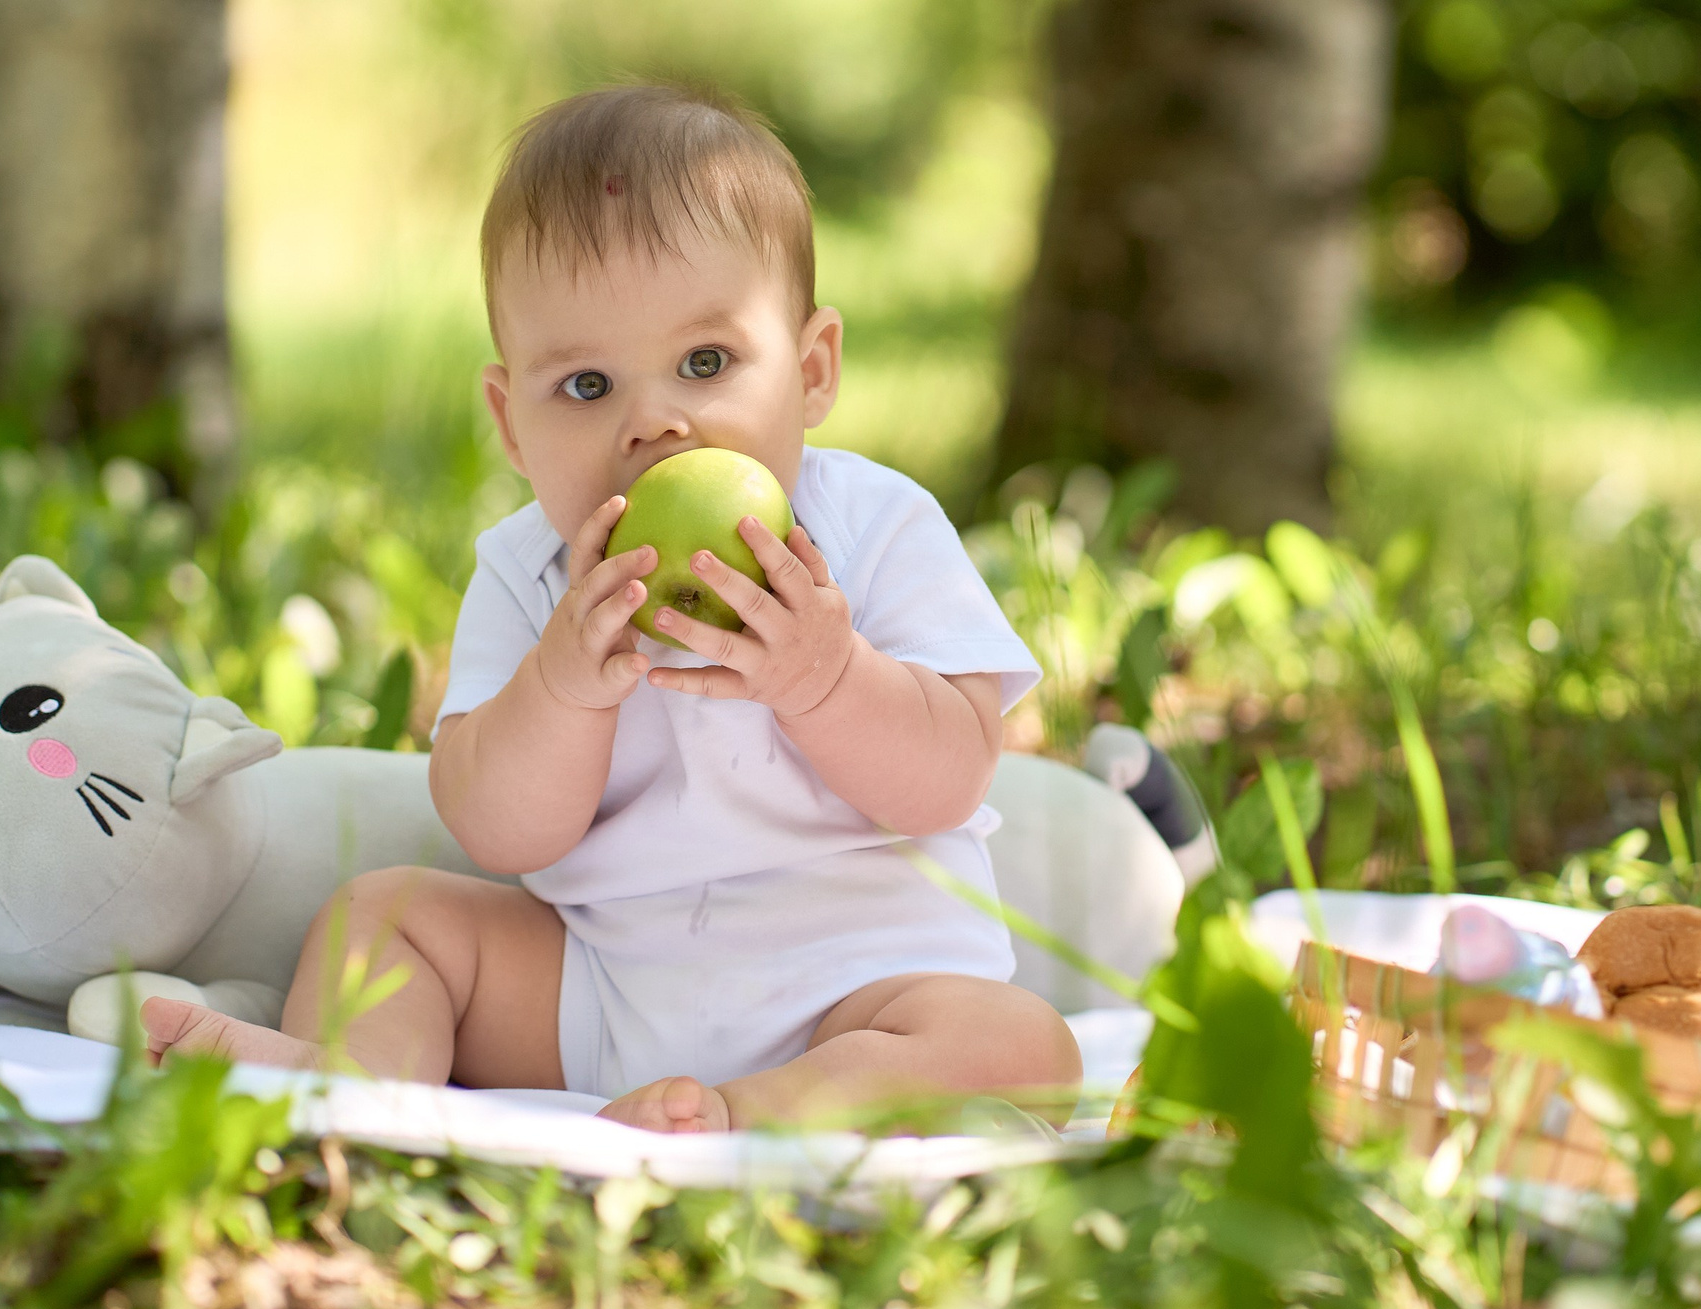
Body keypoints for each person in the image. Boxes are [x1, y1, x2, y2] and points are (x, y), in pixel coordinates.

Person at [141, 84, 1081, 1133]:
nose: (655, 423)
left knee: (1021, 1049)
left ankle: (752, 1110)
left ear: (812, 372)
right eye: (587, 387)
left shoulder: (875, 529)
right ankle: (354, 1093)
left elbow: (948, 779)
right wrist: (561, 687)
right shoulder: (530, 572)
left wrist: (824, 675)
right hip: (603, 989)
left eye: (706, 363)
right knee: (383, 916)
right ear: (510, 422)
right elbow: (498, 832)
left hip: (858, 991)